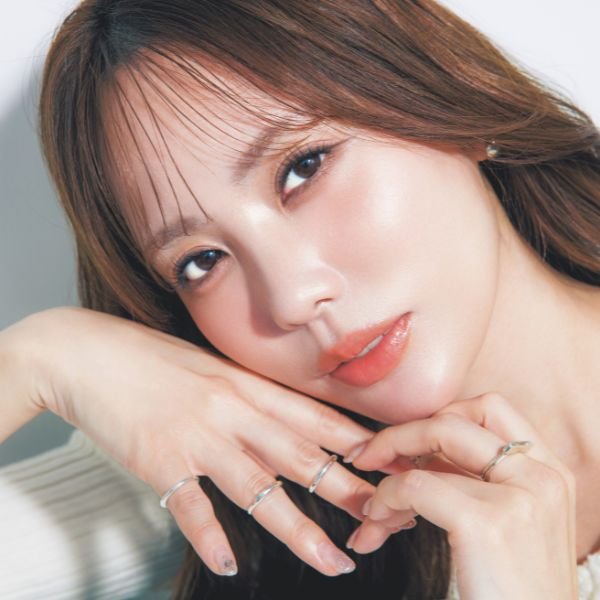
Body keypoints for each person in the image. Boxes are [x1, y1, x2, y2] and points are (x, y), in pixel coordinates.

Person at [1, 0, 599, 598]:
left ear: (445, 98)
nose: (291, 298)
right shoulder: (215, 470)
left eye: (303, 167)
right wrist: (37, 358)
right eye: (201, 261)